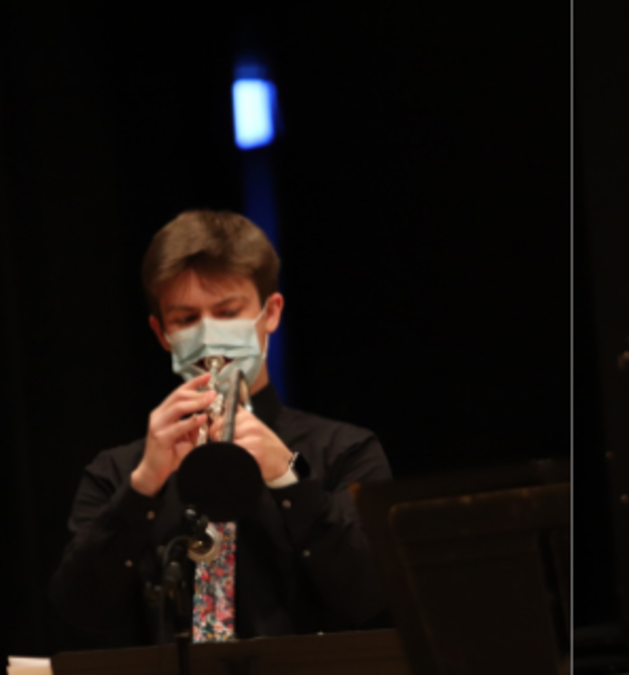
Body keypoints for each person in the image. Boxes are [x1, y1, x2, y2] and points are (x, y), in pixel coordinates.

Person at [50, 210, 392, 647]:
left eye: (228, 311)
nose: (209, 334)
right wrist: (142, 489)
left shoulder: (344, 450)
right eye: (186, 319)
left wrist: (290, 474)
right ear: (161, 333)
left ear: (270, 313)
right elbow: (78, 608)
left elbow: (372, 594)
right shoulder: (118, 471)